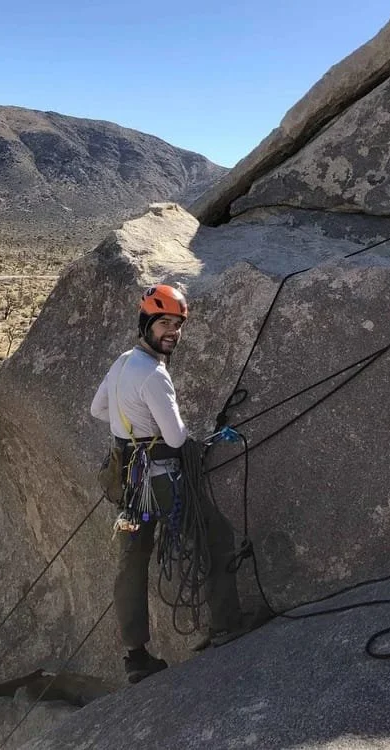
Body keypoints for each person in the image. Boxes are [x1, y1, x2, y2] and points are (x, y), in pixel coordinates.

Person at [90, 283, 245, 684]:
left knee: (132, 559)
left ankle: (136, 657)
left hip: (128, 483)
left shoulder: (122, 362)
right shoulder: (155, 374)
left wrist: (132, 423)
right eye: (163, 323)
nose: (172, 332)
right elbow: (176, 439)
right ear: (146, 324)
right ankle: (226, 625)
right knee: (214, 536)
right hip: (162, 483)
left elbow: (98, 408)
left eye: (177, 325)